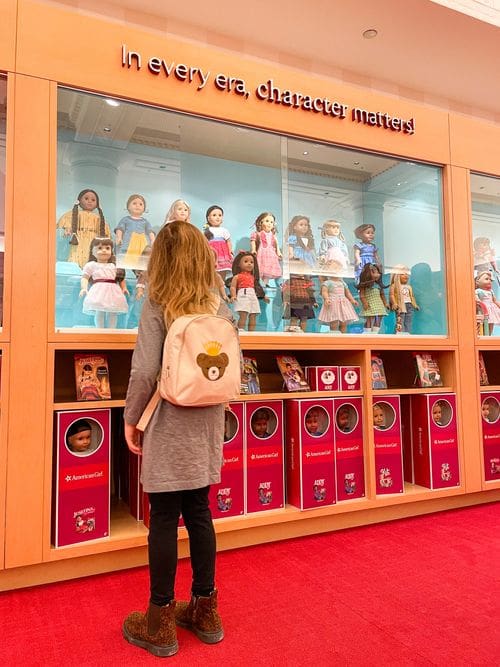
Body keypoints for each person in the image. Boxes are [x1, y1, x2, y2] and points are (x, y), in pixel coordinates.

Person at [122, 220, 233, 657]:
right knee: (200, 512)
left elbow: (145, 371)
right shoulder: (218, 307)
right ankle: (205, 610)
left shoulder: (157, 304)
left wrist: (132, 418)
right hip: (207, 422)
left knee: (164, 517)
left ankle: (160, 619)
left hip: (168, 421)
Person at [79, 237, 129, 328]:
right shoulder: (91, 265)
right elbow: (85, 278)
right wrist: (84, 288)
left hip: (113, 291)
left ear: (111, 250)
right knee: (99, 311)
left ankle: (111, 330)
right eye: (99, 248)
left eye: (107, 248)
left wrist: (124, 288)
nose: (104, 251)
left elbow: (121, 278)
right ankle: (100, 330)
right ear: (92, 251)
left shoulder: (114, 266)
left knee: (112, 312)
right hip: (98, 291)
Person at [57, 188, 110, 268]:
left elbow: (105, 232)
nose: (89, 201)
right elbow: (65, 222)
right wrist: (68, 228)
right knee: (75, 257)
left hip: (93, 241)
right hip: (78, 240)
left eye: (93, 200)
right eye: (86, 198)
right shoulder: (74, 214)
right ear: (79, 201)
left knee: (92, 257)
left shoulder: (99, 218)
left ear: (97, 204)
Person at [229, 250, 269, 331]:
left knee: (253, 314)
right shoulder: (237, 276)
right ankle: (241, 330)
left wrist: (264, 296)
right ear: (239, 264)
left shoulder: (253, 277)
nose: (249, 263)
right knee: (243, 314)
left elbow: (257, 287)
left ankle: (252, 332)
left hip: (252, 295)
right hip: (243, 294)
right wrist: (233, 295)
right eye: (246, 261)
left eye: (252, 262)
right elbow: (233, 287)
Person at [115, 194, 155, 268]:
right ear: (128, 207)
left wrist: (153, 240)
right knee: (127, 258)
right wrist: (119, 237)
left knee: (142, 258)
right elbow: (120, 229)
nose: (137, 206)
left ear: (144, 208)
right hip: (129, 242)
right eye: (134, 203)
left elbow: (150, 231)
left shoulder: (145, 221)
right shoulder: (126, 219)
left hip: (142, 243)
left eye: (140, 204)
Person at [250, 212, 282, 287]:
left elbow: (276, 245)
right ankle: (257, 283)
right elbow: (253, 241)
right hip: (261, 253)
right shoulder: (258, 234)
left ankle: (265, 283)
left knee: (268, 270)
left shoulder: (273, 235)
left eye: (271, 222)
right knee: (260, 268)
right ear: (260, 222)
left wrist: (278, 252)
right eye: (267, 221)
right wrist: (253, 249)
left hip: (271, 255)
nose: (269, 224)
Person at [357, 263, 389, 333]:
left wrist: (385, 303)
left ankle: (375, 332)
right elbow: (361, 295)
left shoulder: (378, 285)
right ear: (367, 274)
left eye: (378, 273)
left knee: (379, 317)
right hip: (370, 304)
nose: (377, 275)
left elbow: (382, 295)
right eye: (374, 272)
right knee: (369, 318)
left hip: (378, 304)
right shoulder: (364, 286)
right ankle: (367, 332)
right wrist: (364, 302)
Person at [204, 205, 233, 279]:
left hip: (222, 253)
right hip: (211, 253)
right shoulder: (207, 230)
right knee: (212, 269)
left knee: (223, 270)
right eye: (214, 215)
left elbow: (228, 241)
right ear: (208, 218)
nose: (217, 217)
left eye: (220, 215)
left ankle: (222, 283)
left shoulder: (224, 230)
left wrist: (230, 250)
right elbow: (204, 242)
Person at [389, 265, 420, 334]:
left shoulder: (409, 287)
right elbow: (392, 295)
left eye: (407, 274)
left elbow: (412, 297)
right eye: (402, 274)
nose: (406, 276)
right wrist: (394, 303)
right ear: (397, 275)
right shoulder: (394, 285)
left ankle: (407, 332)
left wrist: (415, 305)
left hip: (409, 305)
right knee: (400, 319)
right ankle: (400, 333)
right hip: (400, 306)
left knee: (408, 320)